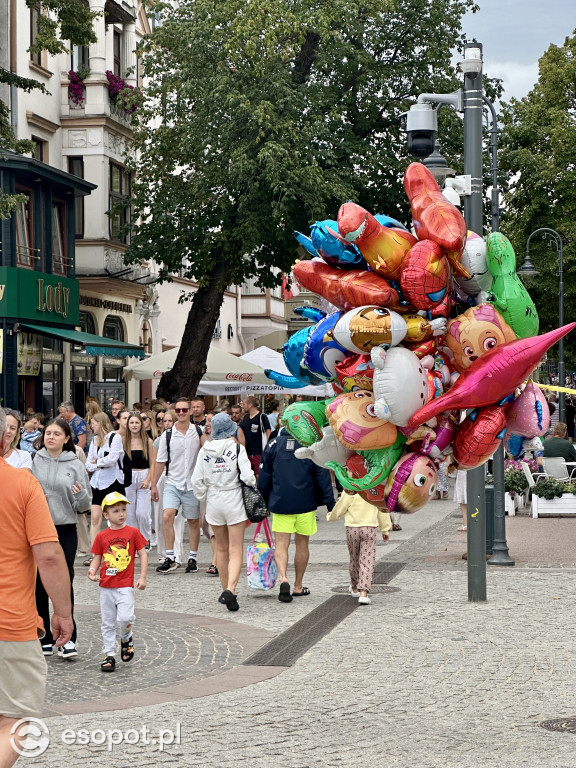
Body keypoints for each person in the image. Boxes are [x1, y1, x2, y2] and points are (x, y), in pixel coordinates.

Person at [0, 408, 73, 768]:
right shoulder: (22, 484)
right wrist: (62, 612)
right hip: (10, 625)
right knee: (14, 718)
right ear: (5, 439)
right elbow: (49, 556)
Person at [32, 418, 92, 660]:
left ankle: (68, 639)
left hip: (65, 528)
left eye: (57, 433)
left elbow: (85, 505)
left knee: (64, 581)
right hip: (39, 528)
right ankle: (44, 636)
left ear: (67, 438)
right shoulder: (36, 460)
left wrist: (79, 496)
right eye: (48, 433)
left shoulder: (75, 464)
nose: (51, 437)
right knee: (38, 583)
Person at [258, 427, 335, 602]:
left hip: (280, 502)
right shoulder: (311, 445)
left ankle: (283, 577)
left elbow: (265, 476)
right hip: (305, 503)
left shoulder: (273, 444)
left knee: (281, 544)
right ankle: (298, 586)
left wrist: (262, 500)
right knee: (302, 545)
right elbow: (322, 475)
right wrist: (330, 503)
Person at [192, 412, 255, 611]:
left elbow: (196, 481)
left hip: (214, 501)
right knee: (236, 549)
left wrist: (204, 495)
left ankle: (226, 591)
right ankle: (231, 588)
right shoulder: (237, 449)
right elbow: (248, 477)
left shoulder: (204, 450)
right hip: (233, 498)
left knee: (221, 549)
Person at [88, 492, 148, 673]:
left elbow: (143, 553)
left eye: (123, 510)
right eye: (116, 511)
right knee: (107, 622)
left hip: (125, 586)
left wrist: (143, 576)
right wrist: (92, 571)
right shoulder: (101, 536)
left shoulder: (133, 532)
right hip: (106, 587)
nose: (121, 514)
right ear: (106, 515)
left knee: (125, 618)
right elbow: (97, 557)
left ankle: (126, 637)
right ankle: (109, 655)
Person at [151, 398, 202, 574]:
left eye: (184, 410)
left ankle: (193, 558)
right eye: (178, 410)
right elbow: (160, 461)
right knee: (167, 516)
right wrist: (154, 485)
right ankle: (170, 557)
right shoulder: (167, 435)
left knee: (194, 521)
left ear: (190, 411)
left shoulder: (198, 431)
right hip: (172, 481)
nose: (181, 413)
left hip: (192, 483)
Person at [327, 489, 391, 605]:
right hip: (369, 527)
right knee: (367, 560)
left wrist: (331, 516)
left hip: (352, 528)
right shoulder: (374, 489)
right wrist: (385, 529)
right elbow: (382, 509)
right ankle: (364, 593)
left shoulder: (351, 488)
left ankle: (355, 587)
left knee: (354, 558)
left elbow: (341, 506)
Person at [85, 412, 126, 553]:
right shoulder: (94, 440)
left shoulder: (115, 438)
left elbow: (112, 459)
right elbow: (88, 464)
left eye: (94, 423)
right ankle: (96, 552)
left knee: (115, 518)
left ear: (101, 423)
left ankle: (117, 549)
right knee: (95, 518)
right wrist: (97, 464)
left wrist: (96, 462)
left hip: (113, 481)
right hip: (97, 482)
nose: (92, 426)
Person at [152, 410, 185, 565]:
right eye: (163, 421)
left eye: (169, 420)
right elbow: (155, 463)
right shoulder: (159, 440)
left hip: (178, 479)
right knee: (161, 518)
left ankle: (176, 553)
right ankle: (164, 552)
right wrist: (153, 484)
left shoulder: (183, 439)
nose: (166, 423)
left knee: (176, 519)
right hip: (162, 478)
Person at [123, 412, 155, 542]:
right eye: (131, 422)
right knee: (129, 513)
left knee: (142, 513)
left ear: (141, 425)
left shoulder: (148, 441)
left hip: (144, 476)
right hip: (129, 477)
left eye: (137, 422)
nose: (134, 425)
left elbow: (153, 463)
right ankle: (132, 541)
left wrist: (148, 479)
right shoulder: (123, 441)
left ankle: (145, 539)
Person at [240, 396, 270, 476]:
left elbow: (268, 431)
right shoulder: (246, 417)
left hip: (258, 453)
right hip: (246, 453)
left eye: (244, 404)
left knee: (258, 474)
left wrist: (267, 448)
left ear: (250, 405)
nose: (242, 406)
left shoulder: (262, 416)